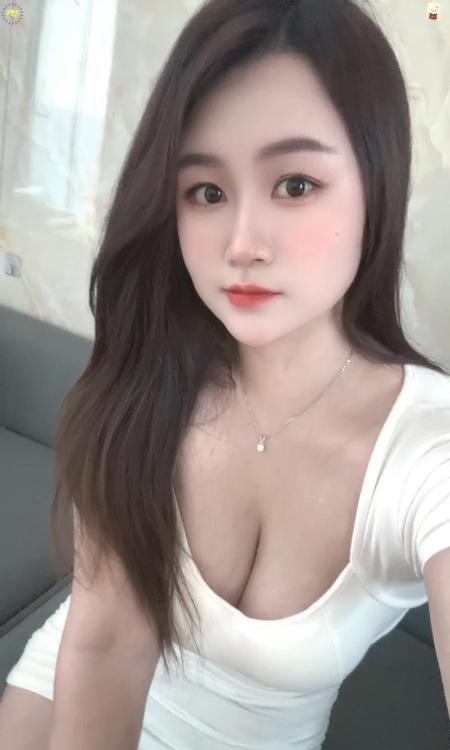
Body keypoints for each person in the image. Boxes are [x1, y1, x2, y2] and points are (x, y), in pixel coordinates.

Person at [1, 0, 449, 748]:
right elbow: (104, 644)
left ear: (377, 183)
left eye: (295, 184)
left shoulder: (426, 448)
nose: (241, 243)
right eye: (206, 192)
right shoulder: (146, 378)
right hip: (69, 678)